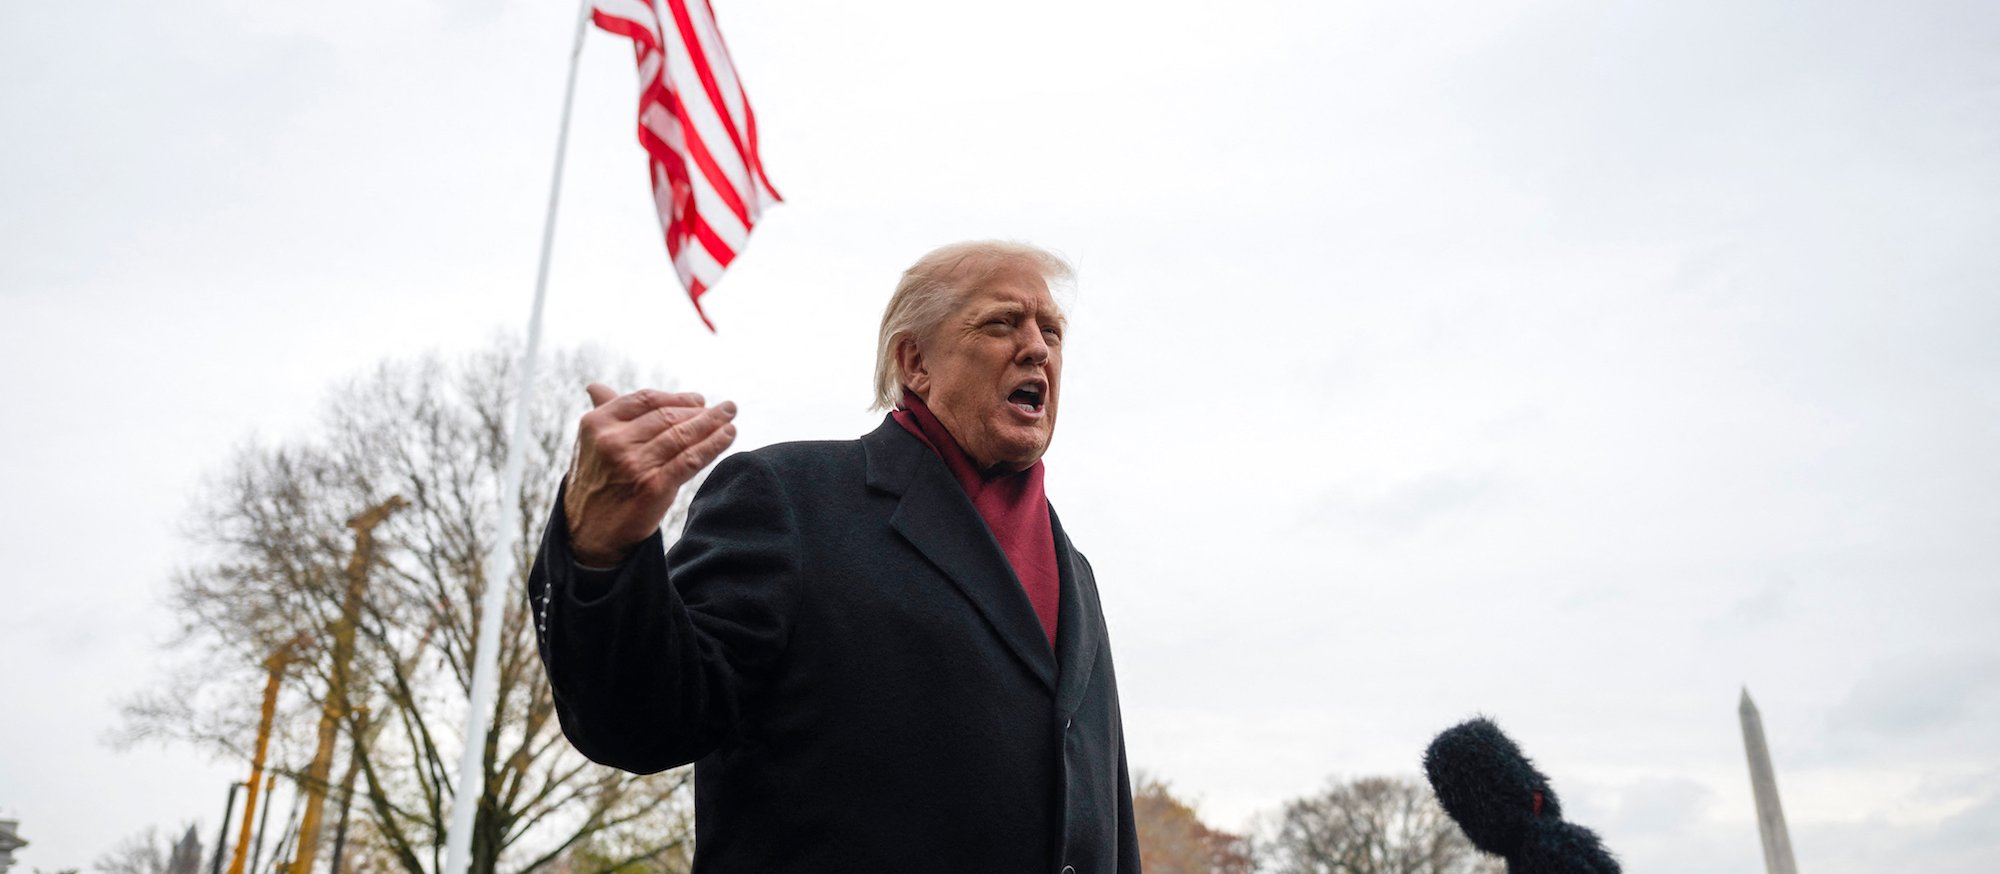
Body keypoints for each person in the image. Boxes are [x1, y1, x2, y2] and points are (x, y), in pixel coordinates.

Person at [527, 241, 1140, 873]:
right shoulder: (790, 500)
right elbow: (645, 719)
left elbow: (1108, 814)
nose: (1038, 347)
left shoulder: (1076, 571)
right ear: (916, 362)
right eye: (1002, 322)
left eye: (1052, 331)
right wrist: (601, 549)